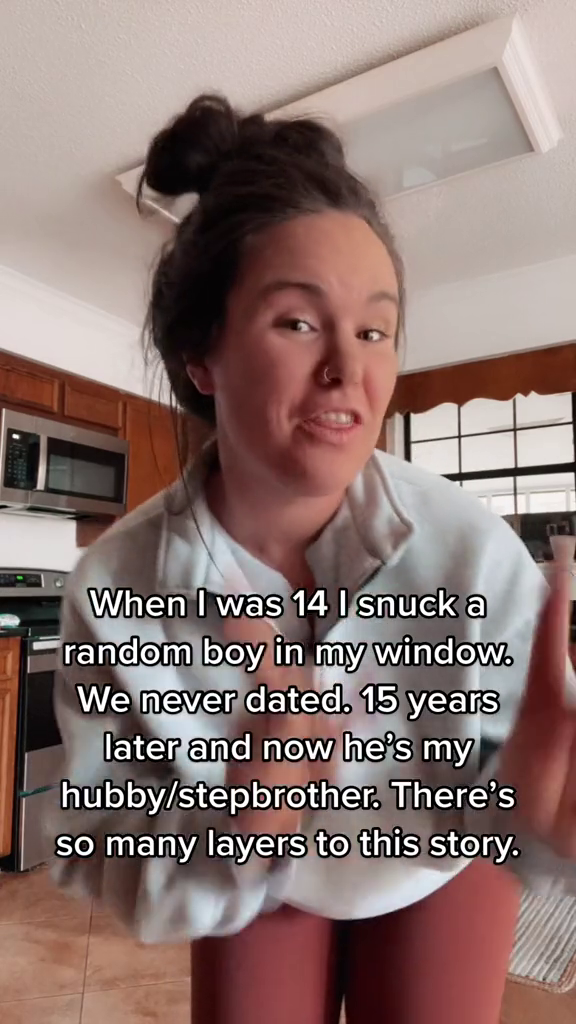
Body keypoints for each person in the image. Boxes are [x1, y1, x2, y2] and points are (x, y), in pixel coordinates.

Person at [48, 93, 576, 1024]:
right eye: (297, 322)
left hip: (436, 856)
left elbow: (533, 787)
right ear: (201, 355)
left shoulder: (471, 550)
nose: (348, 371)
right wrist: (245, 818)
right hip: (245, 865)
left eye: (374, 331)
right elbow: (101, 840)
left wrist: (543, 818)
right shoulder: (117, 588)